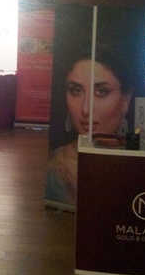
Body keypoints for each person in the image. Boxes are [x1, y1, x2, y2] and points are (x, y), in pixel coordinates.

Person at [45, 44, 137, 207]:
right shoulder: (53, 166)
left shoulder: (139, 164)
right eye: (76, 90)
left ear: (126, 100)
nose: (85, 109)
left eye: (101, 92)